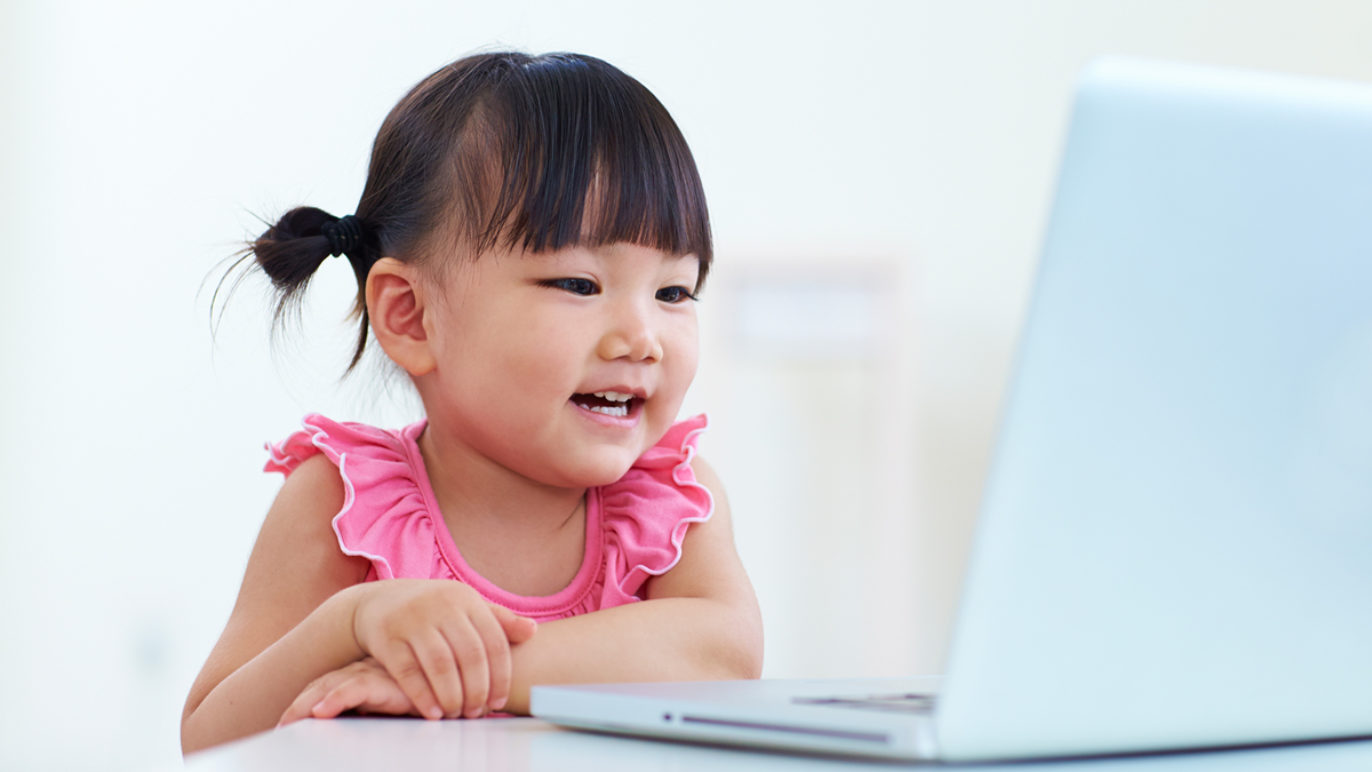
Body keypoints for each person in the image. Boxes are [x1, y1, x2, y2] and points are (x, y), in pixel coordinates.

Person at [181, 51, 763, 754]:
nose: (643, 338)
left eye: (674, 292)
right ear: (411, 318)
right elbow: (210, 737)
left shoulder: (667, 499)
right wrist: (348, 625)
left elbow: (722, 658)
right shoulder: (341, 505)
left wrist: (471, 674)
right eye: (579, 284)